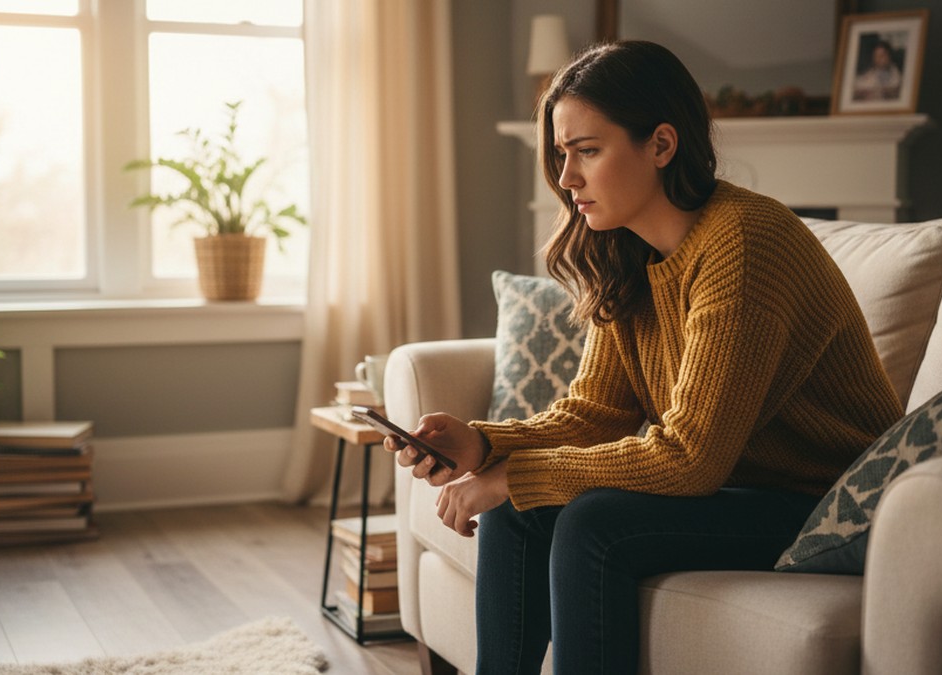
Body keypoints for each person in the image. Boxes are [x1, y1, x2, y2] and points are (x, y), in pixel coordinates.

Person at [385, 40, 902, 675]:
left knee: (588, 520)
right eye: (561, 155)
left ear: (661, 144)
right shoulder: (626, 251)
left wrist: (513, 476)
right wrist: (483, 445)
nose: (567, 178)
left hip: (826, 502)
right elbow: (592, 414)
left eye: (587, 152)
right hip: (743, 487)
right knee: (518, 510)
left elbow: (690, 459)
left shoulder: (744, 243)